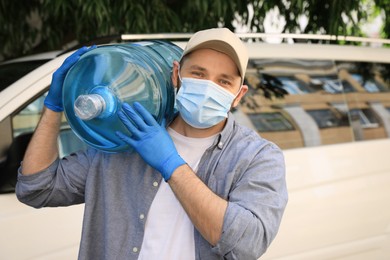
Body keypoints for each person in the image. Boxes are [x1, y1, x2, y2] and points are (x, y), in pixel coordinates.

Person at [16, 28, 288, 260]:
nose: (208, 87)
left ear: (238, 95)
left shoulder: (257, 157)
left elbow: (247, 243)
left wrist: (172, 165)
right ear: (176, 75)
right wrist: (53, 107)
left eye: (223, 81)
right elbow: (37, 188)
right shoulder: (125, 140)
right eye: (199, 73)